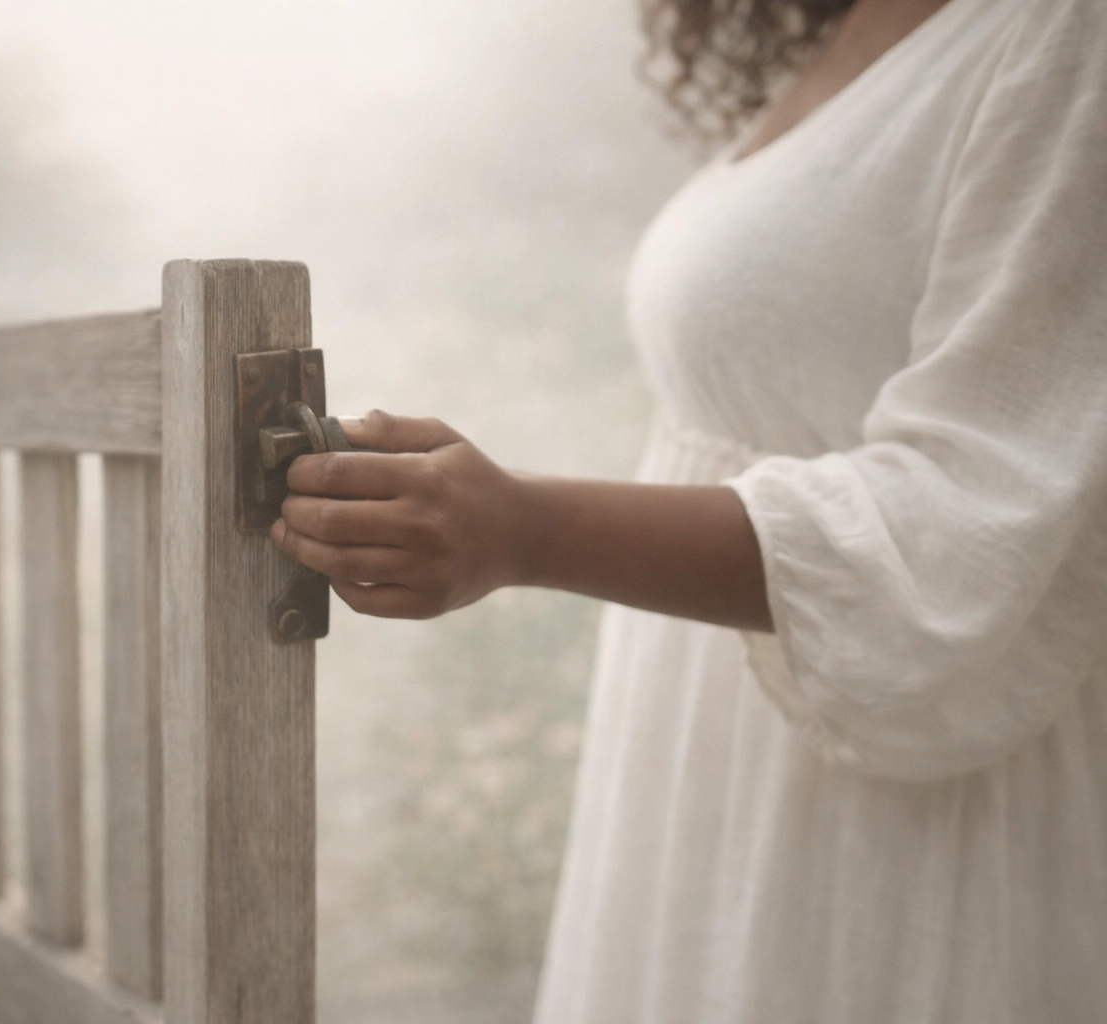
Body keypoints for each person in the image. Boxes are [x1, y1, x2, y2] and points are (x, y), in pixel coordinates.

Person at [268, 0, 1107, 1018]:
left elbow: (969, 518)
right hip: (711, 765)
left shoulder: (1069, 33)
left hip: (911, 797)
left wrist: (526, 528)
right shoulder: (846, 27)